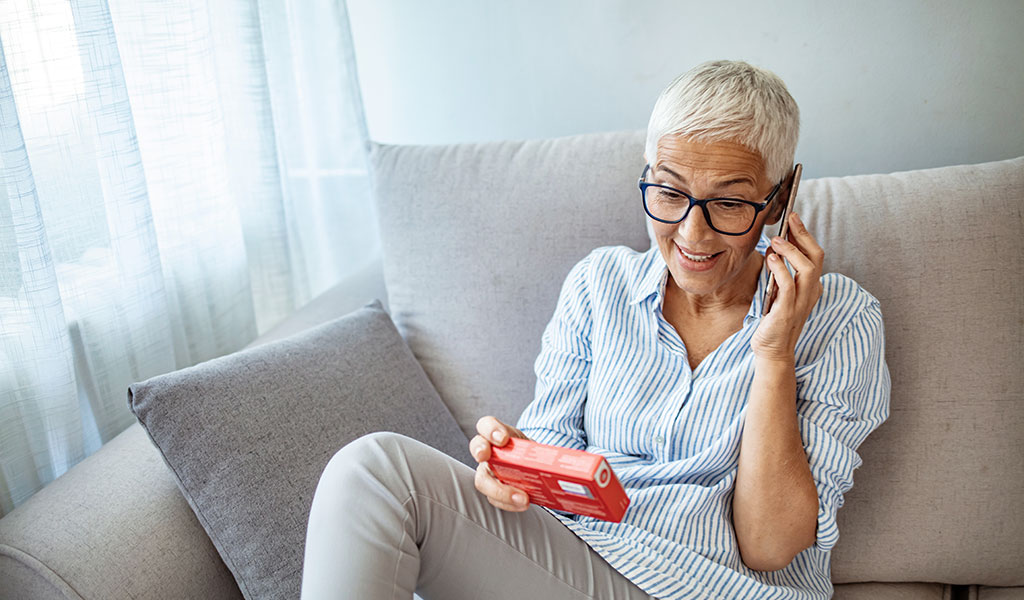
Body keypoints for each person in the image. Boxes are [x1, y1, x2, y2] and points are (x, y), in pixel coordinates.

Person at [300, 60, 890, 600]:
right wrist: (515, 474)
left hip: (721, 588)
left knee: (379, 471)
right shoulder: (598, 287)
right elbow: (548, 472)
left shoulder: (842, 320)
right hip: (581, 565)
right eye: (669, 191)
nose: (692, 235)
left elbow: (770, 545)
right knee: (375, 474)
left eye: (729, 204)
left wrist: (775, 352)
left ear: (780, 198)